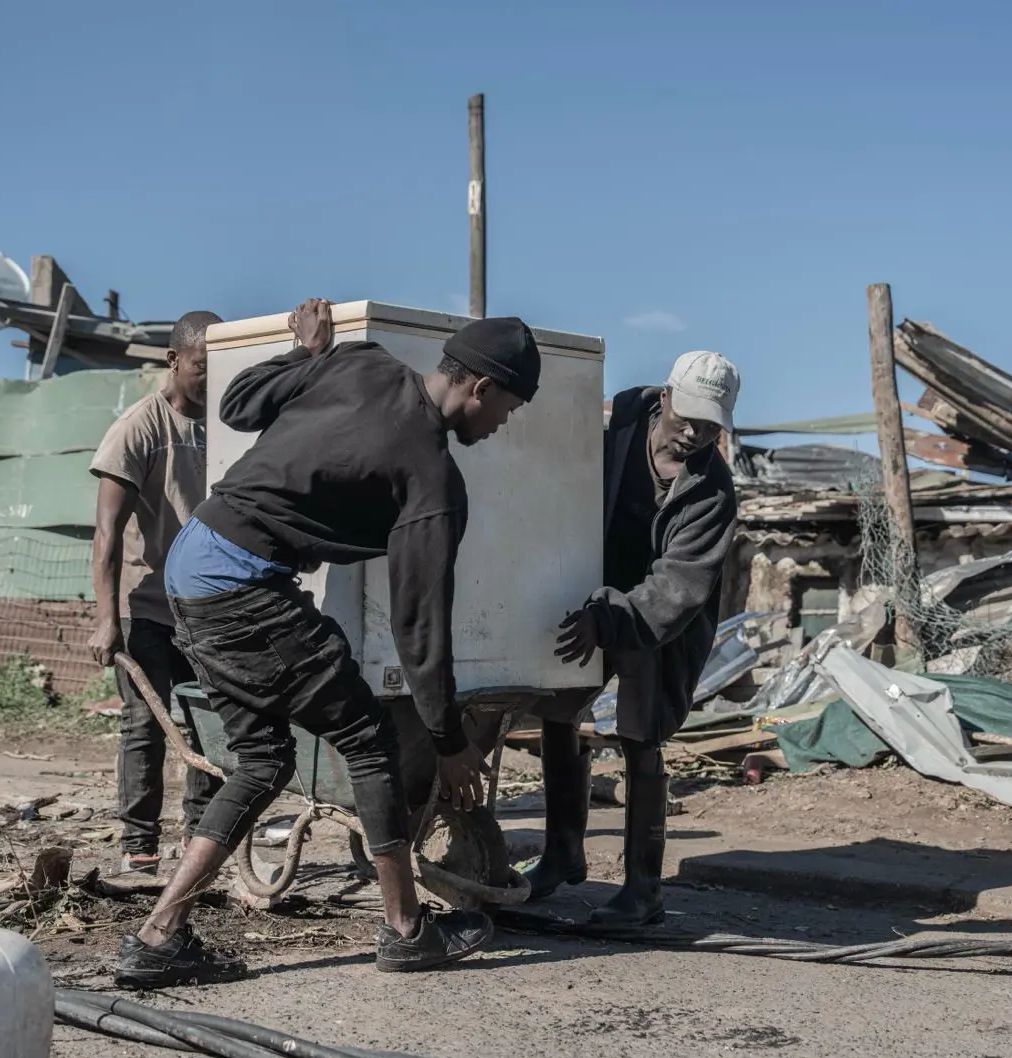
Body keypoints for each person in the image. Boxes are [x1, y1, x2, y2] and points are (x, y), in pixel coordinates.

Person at [114, 298, 542, 987]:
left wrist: (306, 354)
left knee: (260, 760)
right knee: (369, 737)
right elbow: (420, 627)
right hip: (239, 584)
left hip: (192, 565)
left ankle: (158, 934)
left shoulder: (360, 363)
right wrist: (449, 739)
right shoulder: (432, 477)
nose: (502, 425)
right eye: (509, 409)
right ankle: (406, 930)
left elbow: (238, 404)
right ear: (480, 387)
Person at [534, 350, 741, 928]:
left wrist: (618, 617)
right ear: (666, 397)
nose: (694, 433)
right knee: (558, 708)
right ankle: (561, 854)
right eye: (688, 416)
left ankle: (643, 888)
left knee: (641, 734)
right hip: (591, 592)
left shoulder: (712, 492)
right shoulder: (624, 420)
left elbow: (679, 585)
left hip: (658, 622)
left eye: (710, 424)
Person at [88, 310, 224, 875]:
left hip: (212, 609)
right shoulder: (140, 428)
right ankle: (139, 846)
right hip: (150, 609)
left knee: (208, 721)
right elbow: (106, 533)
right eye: (200, 367)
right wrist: (105, 619)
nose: (210, 379)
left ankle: (201, 838)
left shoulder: (228, 426)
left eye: (220, 368)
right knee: (145, 724)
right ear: (174, 359)